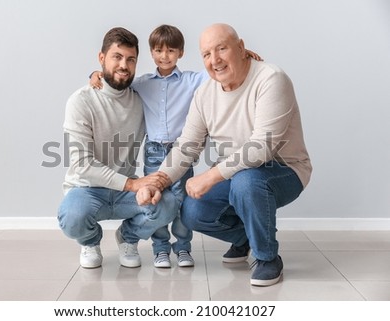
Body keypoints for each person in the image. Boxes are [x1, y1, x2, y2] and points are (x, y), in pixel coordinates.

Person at [136, 23, 312, 286]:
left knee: (246, 181)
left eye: (222, 49)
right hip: (237, 173)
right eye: (207, 54)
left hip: (284, 170)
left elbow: (260, 148)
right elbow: (187, 145)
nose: (215, 59)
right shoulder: (205, 93)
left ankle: (267, 258)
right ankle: (244, 239)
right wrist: (157, 181)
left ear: (241, 48)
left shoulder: (271, 79)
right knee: (191, 210)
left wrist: (209, 176)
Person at [90, 24, 261, 269]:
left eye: (171, 51)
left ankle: (182, 248)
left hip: (181, 153)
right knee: (155, 200)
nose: (165, 56)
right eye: (159, 51)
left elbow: (222, 67)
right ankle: (160, 249)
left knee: (182, 202)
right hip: (153, 152)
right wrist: (94, 74)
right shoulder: (142, 83)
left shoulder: (194, 80)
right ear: (151, 54)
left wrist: (244, 54)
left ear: (180, 53)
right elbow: (116, 77)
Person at [57, 27, 179, 269]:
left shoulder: (142, 99)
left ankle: (128, 238)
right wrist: (135, 184)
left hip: (125, 191)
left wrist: (236, 59)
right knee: (72, 216)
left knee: (168, 204)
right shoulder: (81, 101)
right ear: (101, 59)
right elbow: (83, 166)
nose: (124, 65)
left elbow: (176, 89)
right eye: (117, 57)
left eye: (131, 59)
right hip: (87, 190)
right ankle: (90, 241)